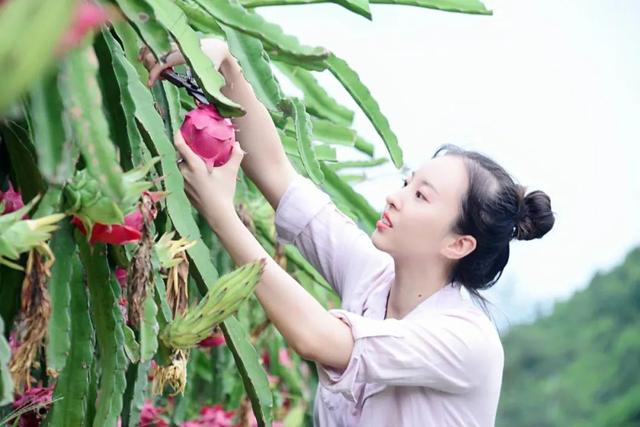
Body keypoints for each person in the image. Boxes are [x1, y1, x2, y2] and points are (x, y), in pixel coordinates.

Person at [139, 37, 555, 427]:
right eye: (408, 183)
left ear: (459, 243)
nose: (396, 197)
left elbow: (317, 338)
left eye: (422, 196)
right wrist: (224, 62)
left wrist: (222, 216)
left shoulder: (466, 341)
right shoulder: (372, 276)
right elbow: (275, 171)